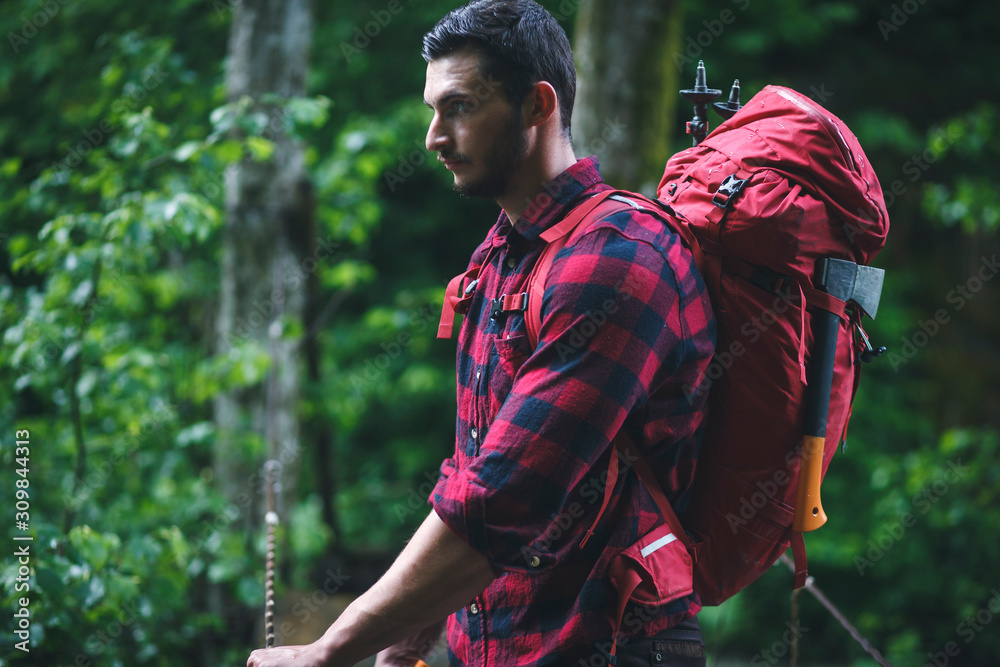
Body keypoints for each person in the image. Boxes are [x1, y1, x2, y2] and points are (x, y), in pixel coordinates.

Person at [247, 2, 715, 666]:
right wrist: (410, 632)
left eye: (459, 107)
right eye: (432, 110)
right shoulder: (499, 259)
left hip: (607, 645)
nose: (434, 136)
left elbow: (504, 498)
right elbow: (475, 467)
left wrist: (332, 647)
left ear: (536, 105)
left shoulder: (617, 260)